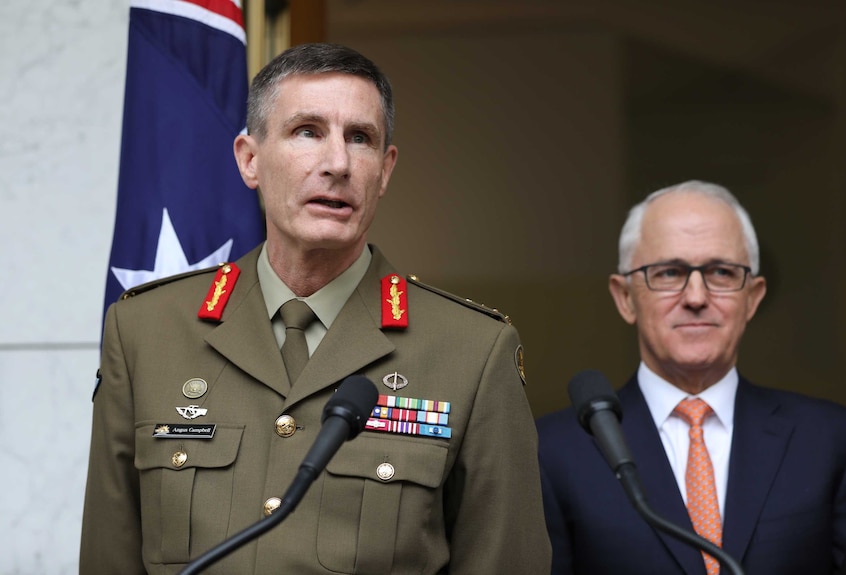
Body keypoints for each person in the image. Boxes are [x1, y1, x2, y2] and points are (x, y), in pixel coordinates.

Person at [80, 43, 551, 574]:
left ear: (386, 170)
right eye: (307, 131)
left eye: (361, 138)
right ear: (249, 159)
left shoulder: (473, 350)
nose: (338, 163)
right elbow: (109, 553)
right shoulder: (146, 330)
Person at [537, 180, 846, 575]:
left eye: (721, 272)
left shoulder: (836, 441)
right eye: (670, 272)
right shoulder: (551, 453)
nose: (695, 297)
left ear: (753, 298)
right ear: (625, 297)